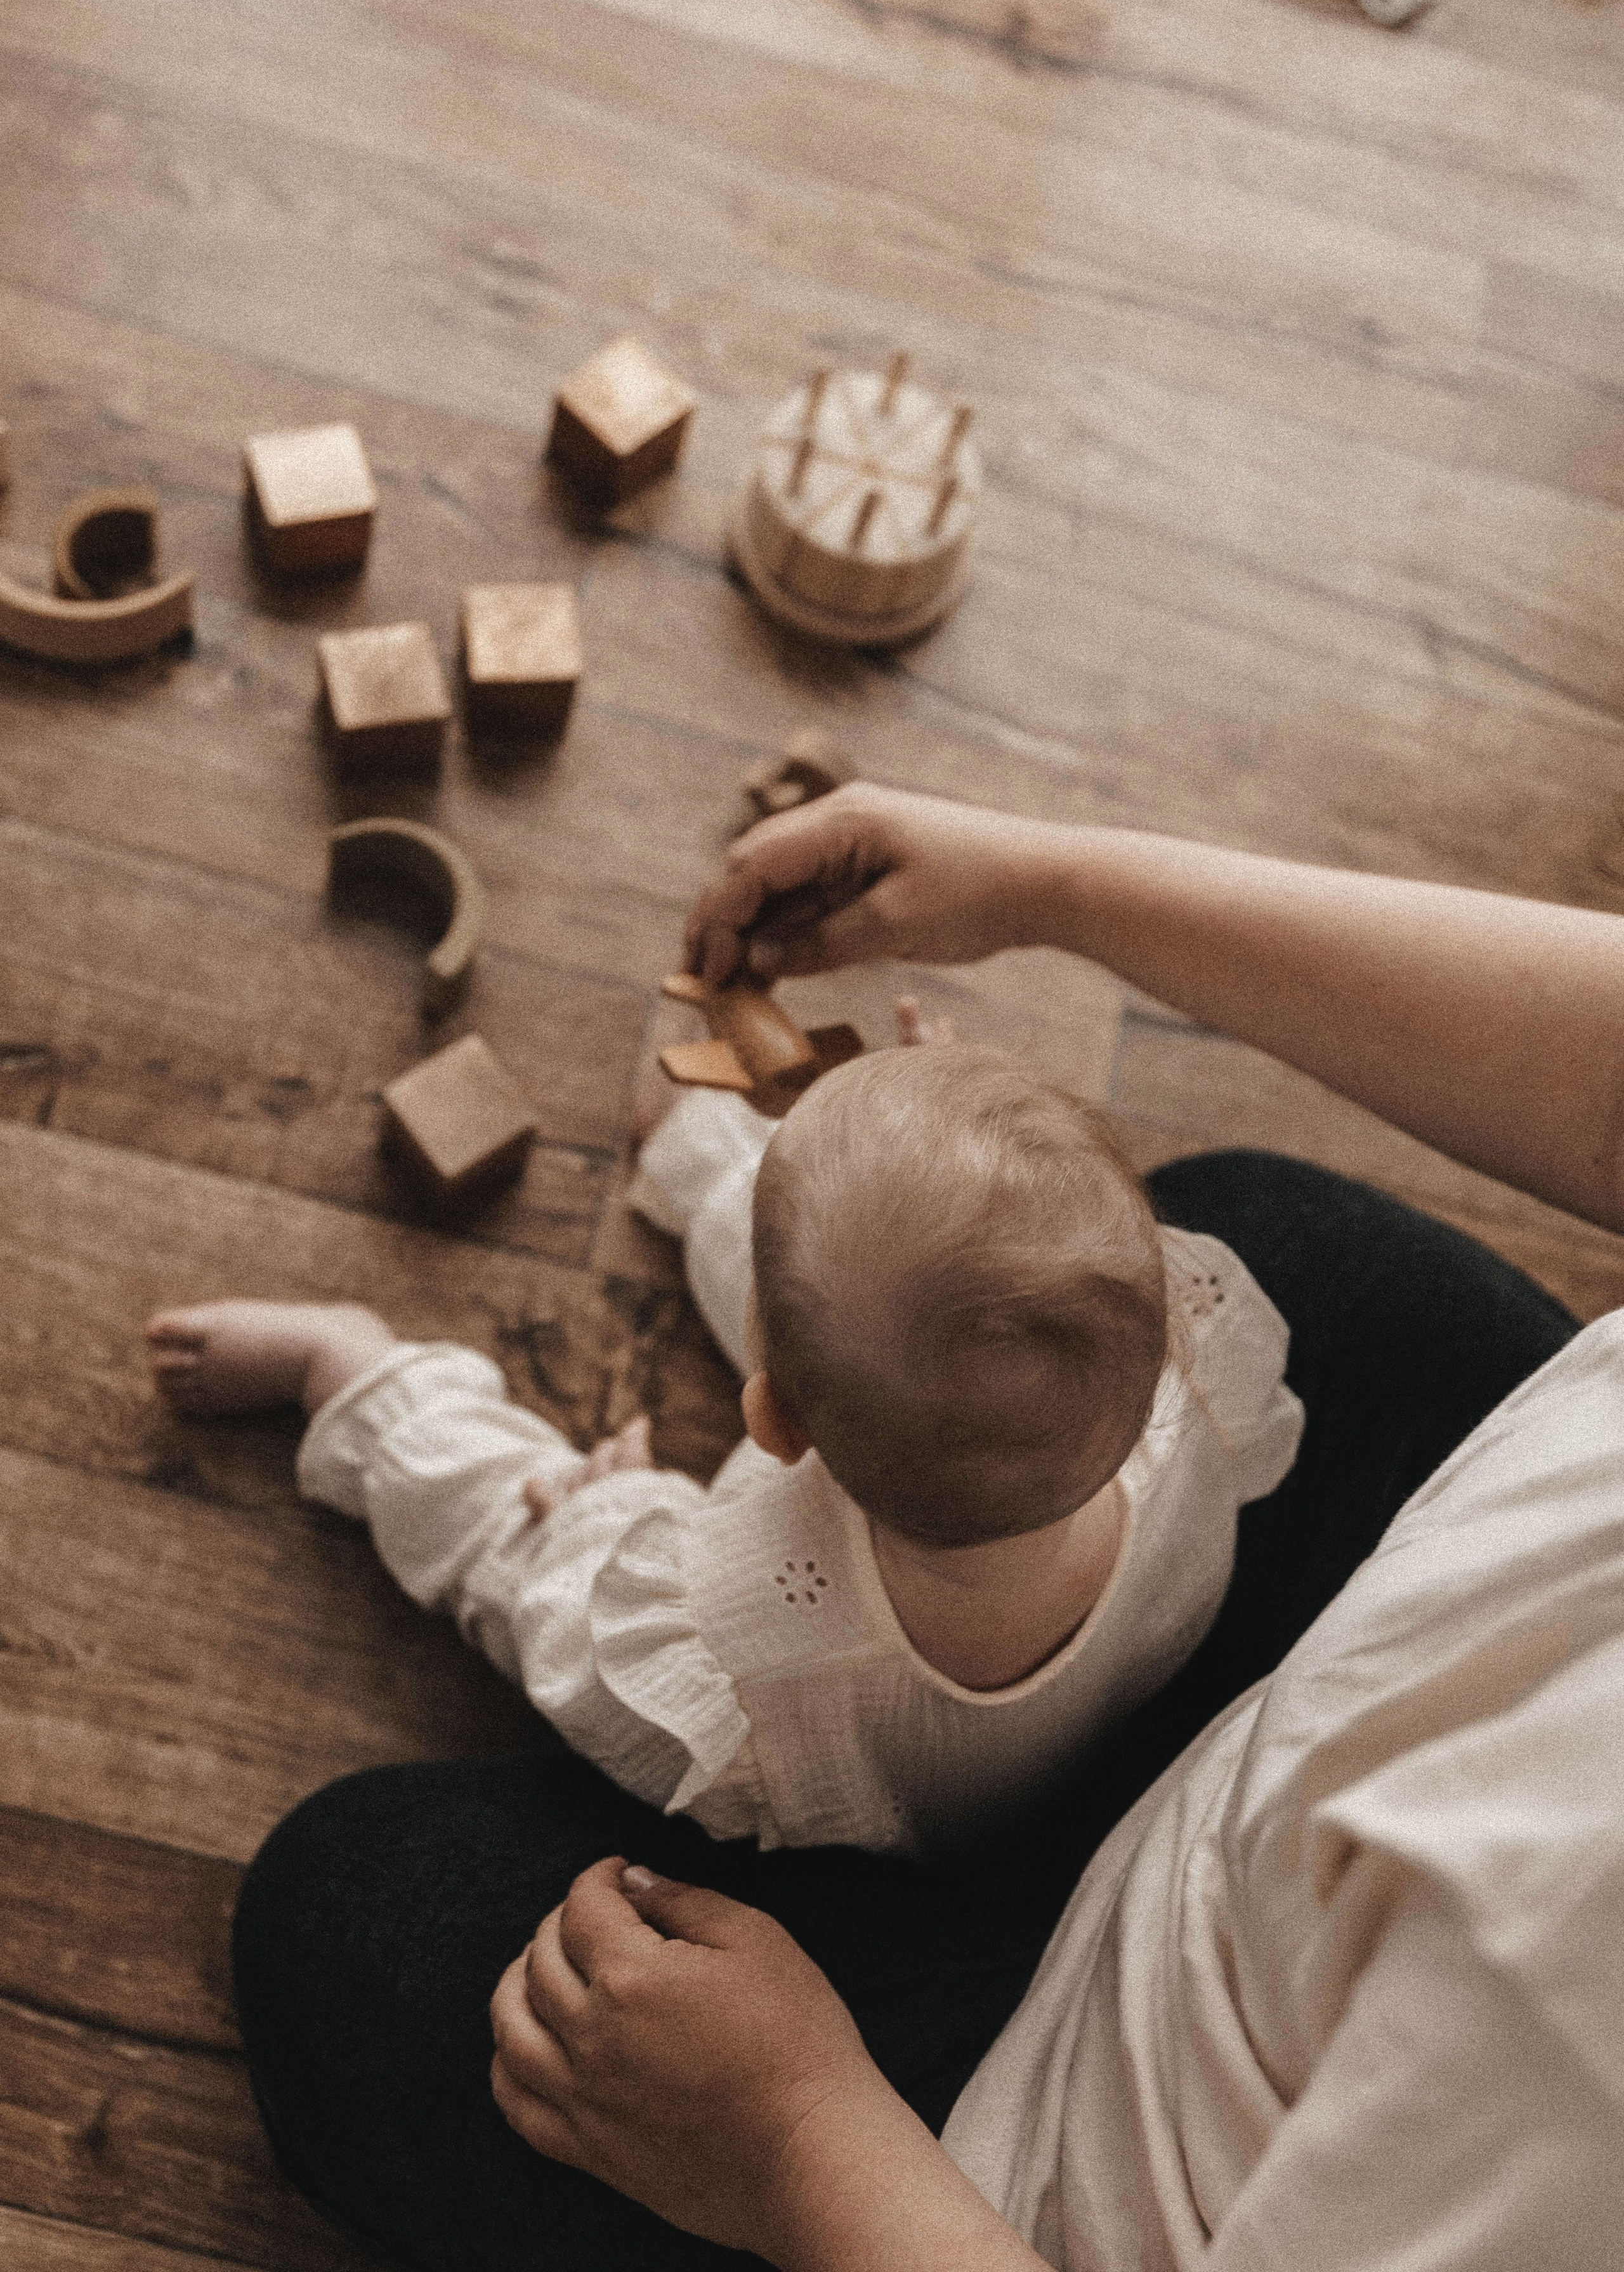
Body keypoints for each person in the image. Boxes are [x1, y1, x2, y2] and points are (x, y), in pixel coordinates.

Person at [232, 785, 1624, 2271]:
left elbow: (543, 1585)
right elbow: (873, 1353)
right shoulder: (1206, 1388)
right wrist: (1044, 903)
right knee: (1010, 1274)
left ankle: (480, 1321)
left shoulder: (727, 1648)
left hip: (1031, 2150)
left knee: (346, 1922)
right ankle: (716, 1183)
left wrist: (409, 1415)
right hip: (1245, 1781)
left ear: (768, 1423)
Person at [148, 1023, 1301, 1858]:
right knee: (893, 1262)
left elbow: (580, 1663)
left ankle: (355, 1377)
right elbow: (982, 1285)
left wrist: (615, 1513)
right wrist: (960, 1147)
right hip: (1069, 1702)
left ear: (775, 1424)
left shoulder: (740, 1648)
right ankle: (707, 1158)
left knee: (524, 1542)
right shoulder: (1174, 1382)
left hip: (849, 1723)